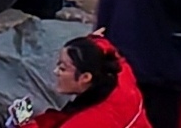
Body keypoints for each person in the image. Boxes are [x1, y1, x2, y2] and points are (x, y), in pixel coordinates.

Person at [22, 33, 151, 128]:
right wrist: (92, 39)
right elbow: (104, 46)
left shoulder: (88, 122)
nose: (56, 72)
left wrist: (24, 123)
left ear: (85, 77)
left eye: (62, 68)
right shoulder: (120, 75)